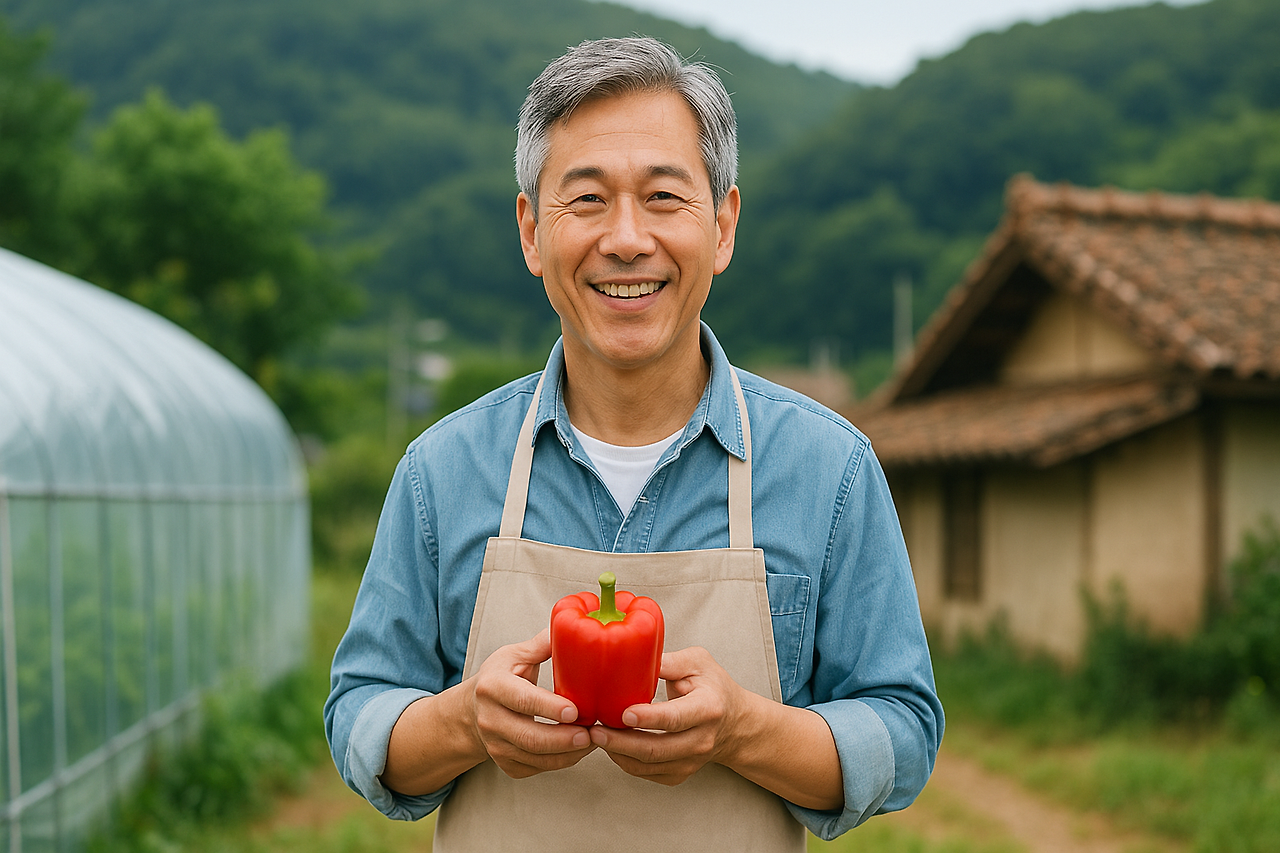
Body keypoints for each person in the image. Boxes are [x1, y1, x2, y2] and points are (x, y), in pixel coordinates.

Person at [324, 36, 942, 852]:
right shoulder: (441, 471)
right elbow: (360, 712)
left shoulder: (830, 469)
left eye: (662, 197)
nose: (625, 239)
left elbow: (902, 728)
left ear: (721, 226)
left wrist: (743, 730)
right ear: (531, 232)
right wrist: (462, 721)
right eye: (585, 199)